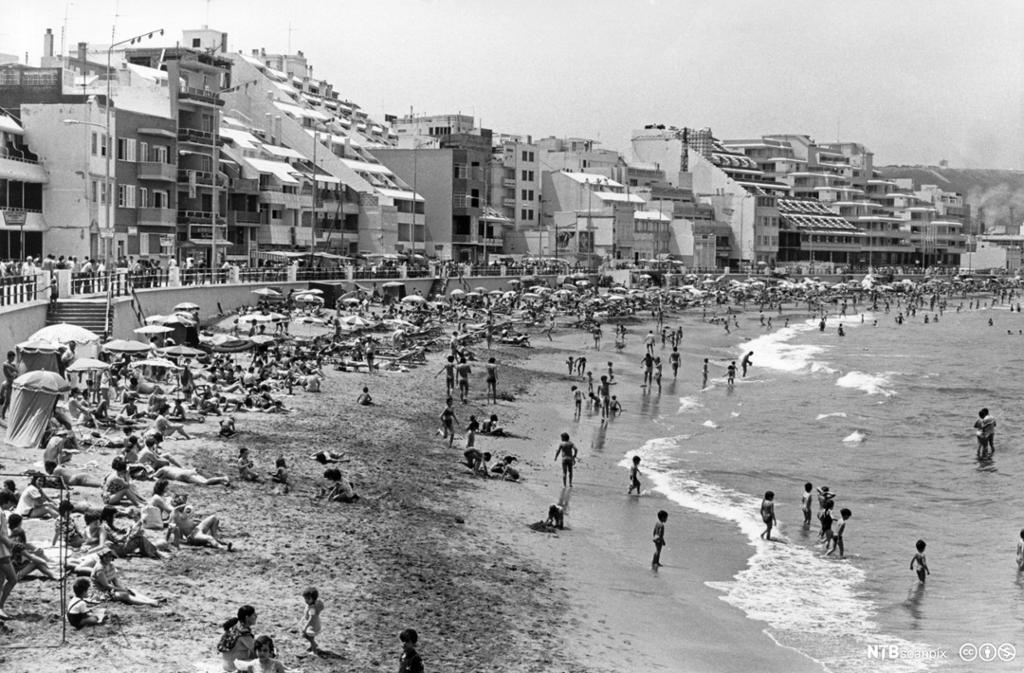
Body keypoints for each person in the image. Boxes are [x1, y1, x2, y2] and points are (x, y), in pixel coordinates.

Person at [90, 547, 161, 606]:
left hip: (109, 589)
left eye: (110, 557)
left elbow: (115, 581)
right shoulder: (100, 569)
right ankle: (148, 603)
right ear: (102, 557)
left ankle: (150, 600)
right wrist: (121, 590)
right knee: (123, 595)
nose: (108, 558)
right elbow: (106, 585)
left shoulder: (110, 565)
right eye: (106, 557)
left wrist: (122, 588)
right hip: (100, 591)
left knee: (131, 591)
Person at [218, 605, 257, 673]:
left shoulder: (235, 625)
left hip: (226, 664)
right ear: (247, 617)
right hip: (234, 667)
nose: (256, 616)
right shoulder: (243, 633)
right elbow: (256, 650)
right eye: (253, 615)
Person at [301, 587, 325, 655]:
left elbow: (311, 619)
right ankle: (313, 645)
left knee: (309, 637)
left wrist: (305, 627)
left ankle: (314, 650)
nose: (306, 600)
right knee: (309, 636)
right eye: (305, 598)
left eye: (308, 599)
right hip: (311, 625)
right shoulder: (309, 605)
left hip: (312, 626)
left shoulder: (312, 609)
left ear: (313, 599)